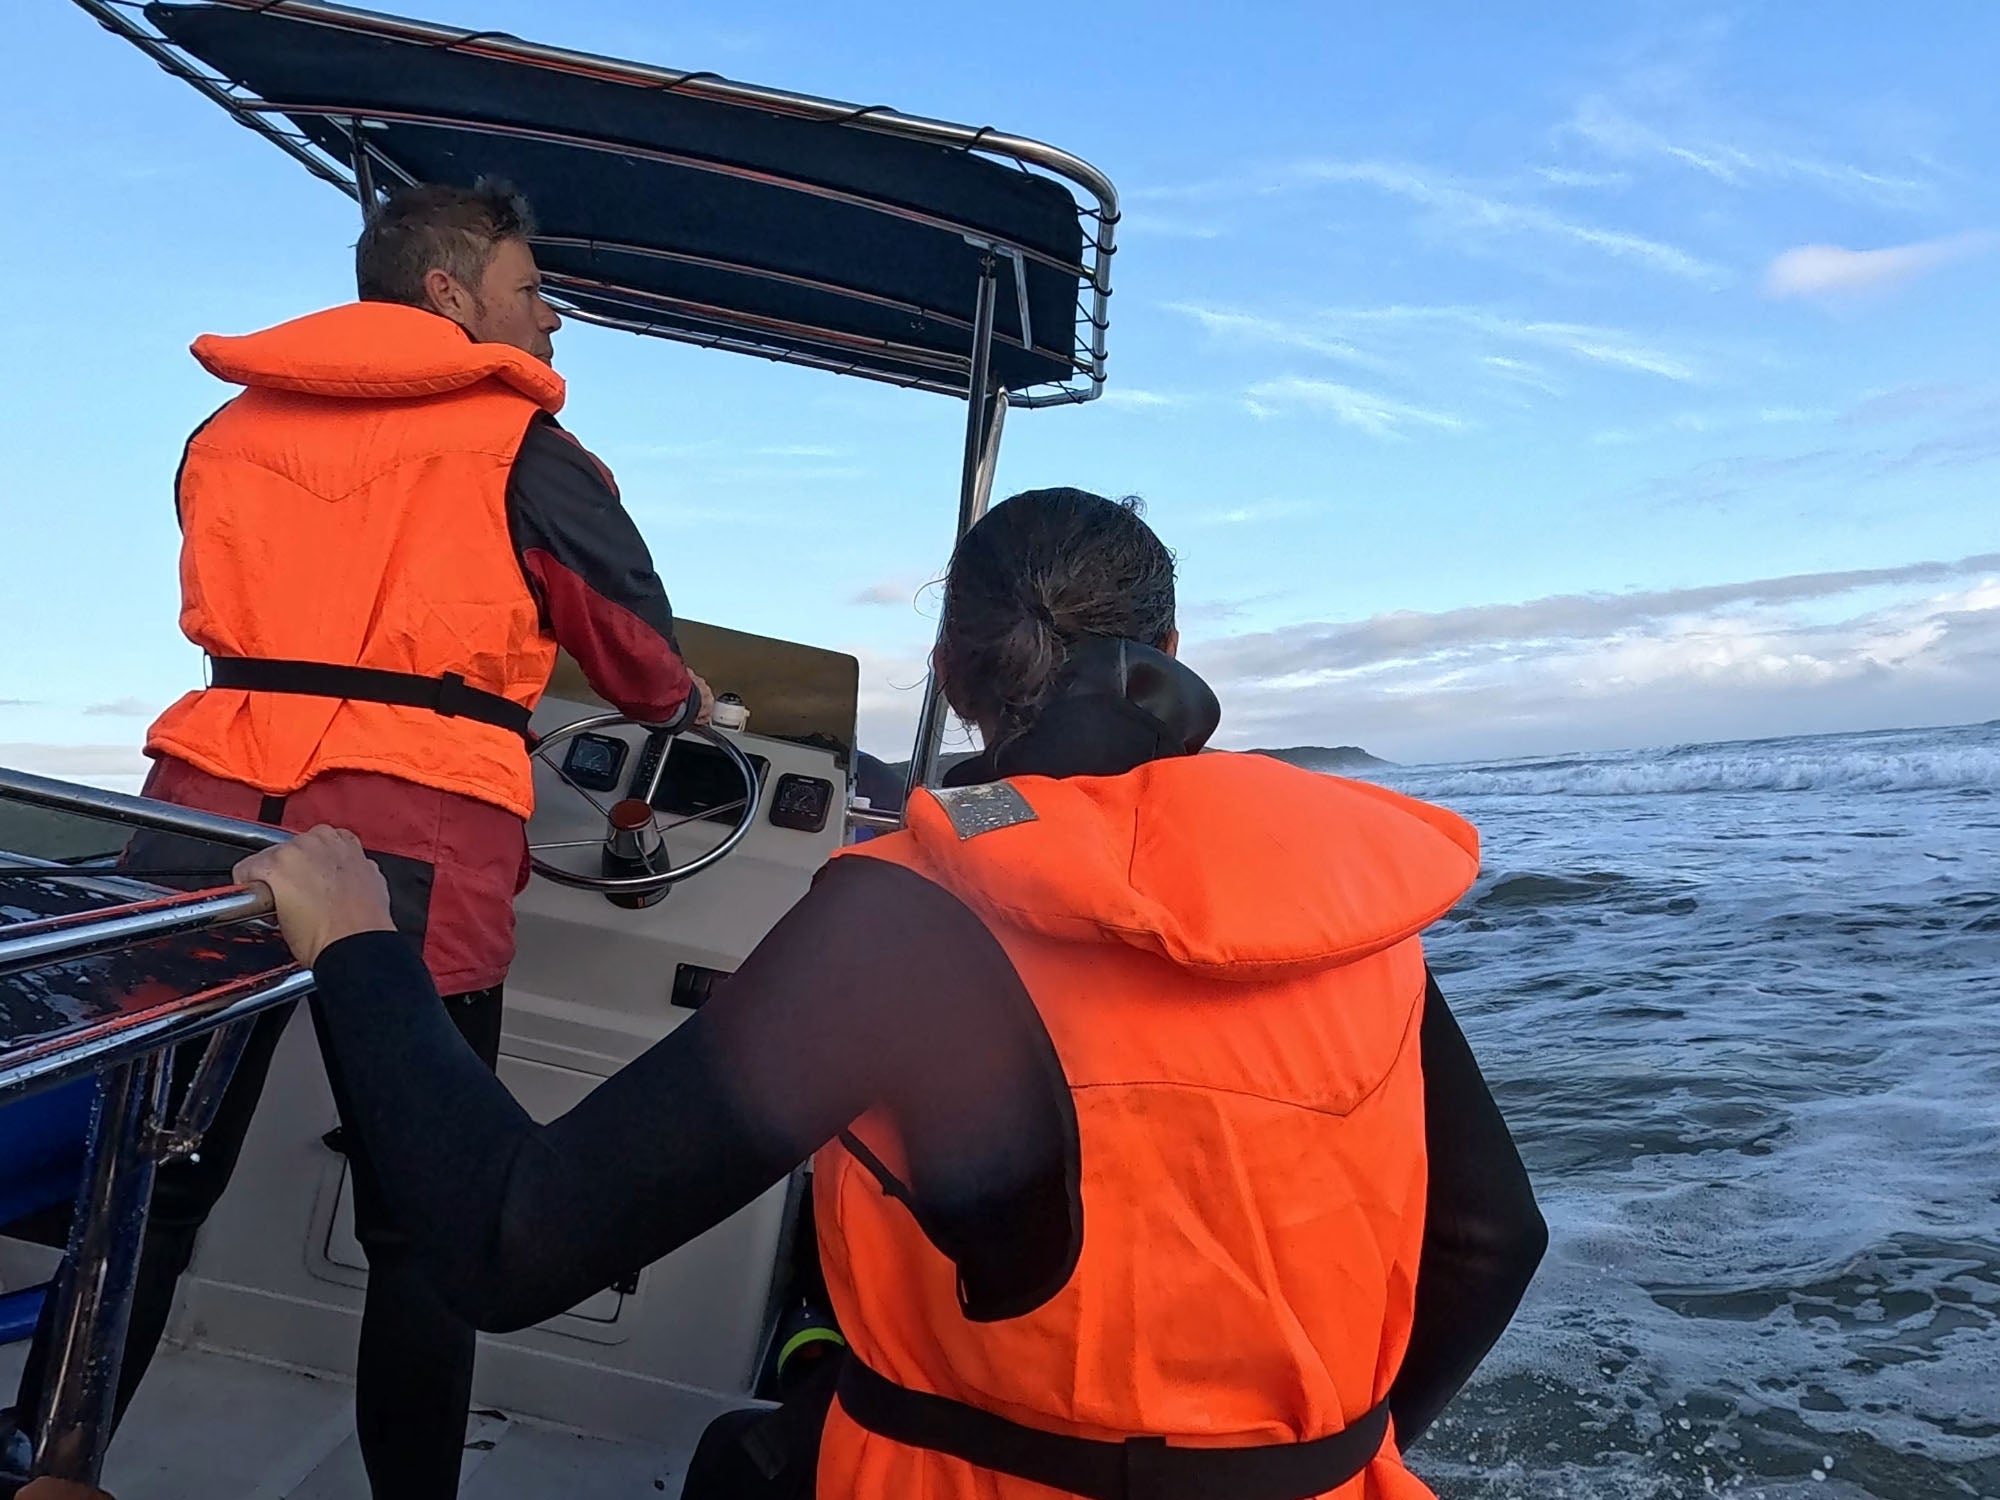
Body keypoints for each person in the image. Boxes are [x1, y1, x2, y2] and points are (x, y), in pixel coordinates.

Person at [235, 488, 1547, 1499]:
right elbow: (1494, 1242)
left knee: (739, 1461)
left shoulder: (899, 915)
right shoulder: (1355, 909)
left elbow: (505, 1245)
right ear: (1172, 651)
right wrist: (1324, 1455)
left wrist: (357, 942)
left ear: (956, 669)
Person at [2, 181, 711, 1500]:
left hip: (198, 818)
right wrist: (686, 701)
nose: (553, 318)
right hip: (413, 836)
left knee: (144, 1186)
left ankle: (58, 1470)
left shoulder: (223, 428)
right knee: (430, 1215)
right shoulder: (527, 449)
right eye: (532, 286)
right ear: (450, 294)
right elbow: (642, 664)